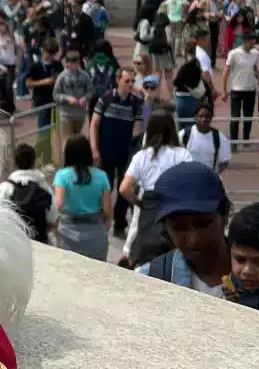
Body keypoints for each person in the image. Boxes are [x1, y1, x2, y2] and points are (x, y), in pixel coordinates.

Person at [136, 163, 259, 330]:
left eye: (203, 223)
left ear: (225, 215)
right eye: (179, 228)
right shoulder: (151, 279)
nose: (193, 239)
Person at [120, 109, 193, 267]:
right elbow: (190, 182)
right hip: (174, 206)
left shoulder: (142, 155)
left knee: (144, 252)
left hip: (149, 206)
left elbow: (124, 188)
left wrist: (138, 202)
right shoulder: (183, 154)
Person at [89, 66, 142, 239]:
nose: (130, 84)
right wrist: (94, 149)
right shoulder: (105, 98)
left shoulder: (136, 103)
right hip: (106, 152)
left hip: (125, 154)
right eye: (127, 81)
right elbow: (94, 124)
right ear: (118, 80)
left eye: (133, 81)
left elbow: (138, 126)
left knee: (123, 190)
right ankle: (100, 220)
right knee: (105, 187)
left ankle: (120, 223)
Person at [53, 134, 112, 261]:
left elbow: (59, 205)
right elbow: (107, 210)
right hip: (96, 233)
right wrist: (105, 227)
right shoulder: (102, 176)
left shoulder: (62, 176)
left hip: (68, 233)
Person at [0, 141, 57, 244]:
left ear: (15, 162)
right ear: (34, 161)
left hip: (14, 243)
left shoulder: (4, 188)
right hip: (41, 243)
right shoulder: (44, 187)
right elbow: (53, 218)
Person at [25, 38, 63, 164]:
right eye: (49, 53)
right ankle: (46, 159)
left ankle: (35, 154)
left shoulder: (57, 65)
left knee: (54, 131)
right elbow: (28, 83)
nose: (51, 57)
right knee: (44, 131)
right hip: (42, 102)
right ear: (43, 51)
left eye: (53, 54)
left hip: (56, 102)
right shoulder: (35, 66)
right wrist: (45, 82)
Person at [221, 31, 259, 148]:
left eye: (254, 40)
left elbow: (255, 69)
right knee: (235, 117)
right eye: (251, 41)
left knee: (248, 117)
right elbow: (225, 73)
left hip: (250, 89)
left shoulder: (255, 53)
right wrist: (224, 91)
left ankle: (246, 139)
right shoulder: (233, 53)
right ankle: (233, 141)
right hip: (236, 90)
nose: (254, 43)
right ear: (245, 41)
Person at [179, 102, 231, 173]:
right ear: (195, 117)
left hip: (209, 180)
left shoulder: (219, 137)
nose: (204, 119)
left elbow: (224, 161)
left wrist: (214, 174)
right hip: (188, 178)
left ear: (211, 118)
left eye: (207, 116)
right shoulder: (184, 134)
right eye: (201, 116)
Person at [52, 50, 91, 138]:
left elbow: (90, 91)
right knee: (67, 139)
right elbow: (55, 95)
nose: (74, 66)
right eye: (71, 63)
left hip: (80, 113)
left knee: (77, 139)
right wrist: (67, 98)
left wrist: (85, 98)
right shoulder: (61, 77)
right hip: (65, 114)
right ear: (67, 63)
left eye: (76, 63)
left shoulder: (84, 76)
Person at [172, 40, 207, 134]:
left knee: (183, 126)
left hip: (183, 98)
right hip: (194, 97)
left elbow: (176, 82)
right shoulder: (197, 63)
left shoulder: (185, 67)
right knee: (193, 125)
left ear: (185, 51)